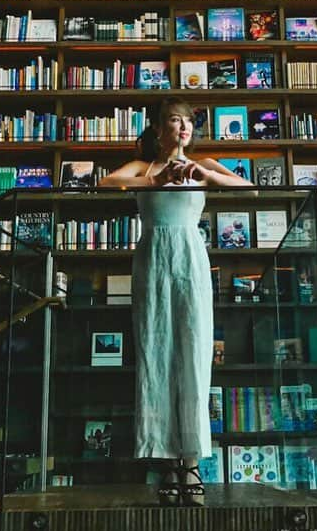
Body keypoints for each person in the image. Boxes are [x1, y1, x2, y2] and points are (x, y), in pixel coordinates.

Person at [98, 97, 252, 506]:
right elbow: (107, 182)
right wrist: (156, 181)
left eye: (187, 121)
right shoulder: (144, 167)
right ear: (158, 128)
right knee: (155, 353)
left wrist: (202, 173)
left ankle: (191, 461)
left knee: (195, 355)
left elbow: (247, 185)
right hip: (152, 259)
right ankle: (166, 460)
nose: (182, 127)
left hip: (190, 258)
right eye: (173, 121)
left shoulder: (204, 164)